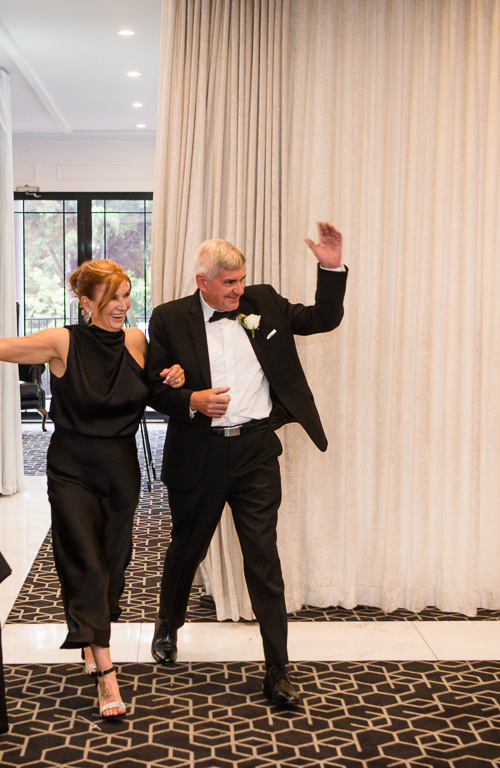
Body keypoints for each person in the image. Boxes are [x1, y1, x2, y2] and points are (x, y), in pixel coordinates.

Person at [0, 259, 184, 720]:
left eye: (126, 296)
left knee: (114, 564)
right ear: (86, 303)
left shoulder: (136, 341)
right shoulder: (62, 342)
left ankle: (90, 632)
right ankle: (106, 673)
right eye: (112, 298)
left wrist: (174, 376)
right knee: (85, 561)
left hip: (121, 470)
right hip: (73, 470)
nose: (122, 306)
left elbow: (160, 385)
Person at [146, 221, 347, 706]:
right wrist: (190, 399)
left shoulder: (265, 302)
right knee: (187, 548)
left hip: (255, 452)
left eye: (241, 280)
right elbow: (151, 387)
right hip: (199, 452)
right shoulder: (169, 318)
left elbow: (323, 318)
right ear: (202, 281)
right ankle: (168, 625)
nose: (239, 290)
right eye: (229, 283)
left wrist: (331, 268)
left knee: (263, 559)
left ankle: (278, 669)